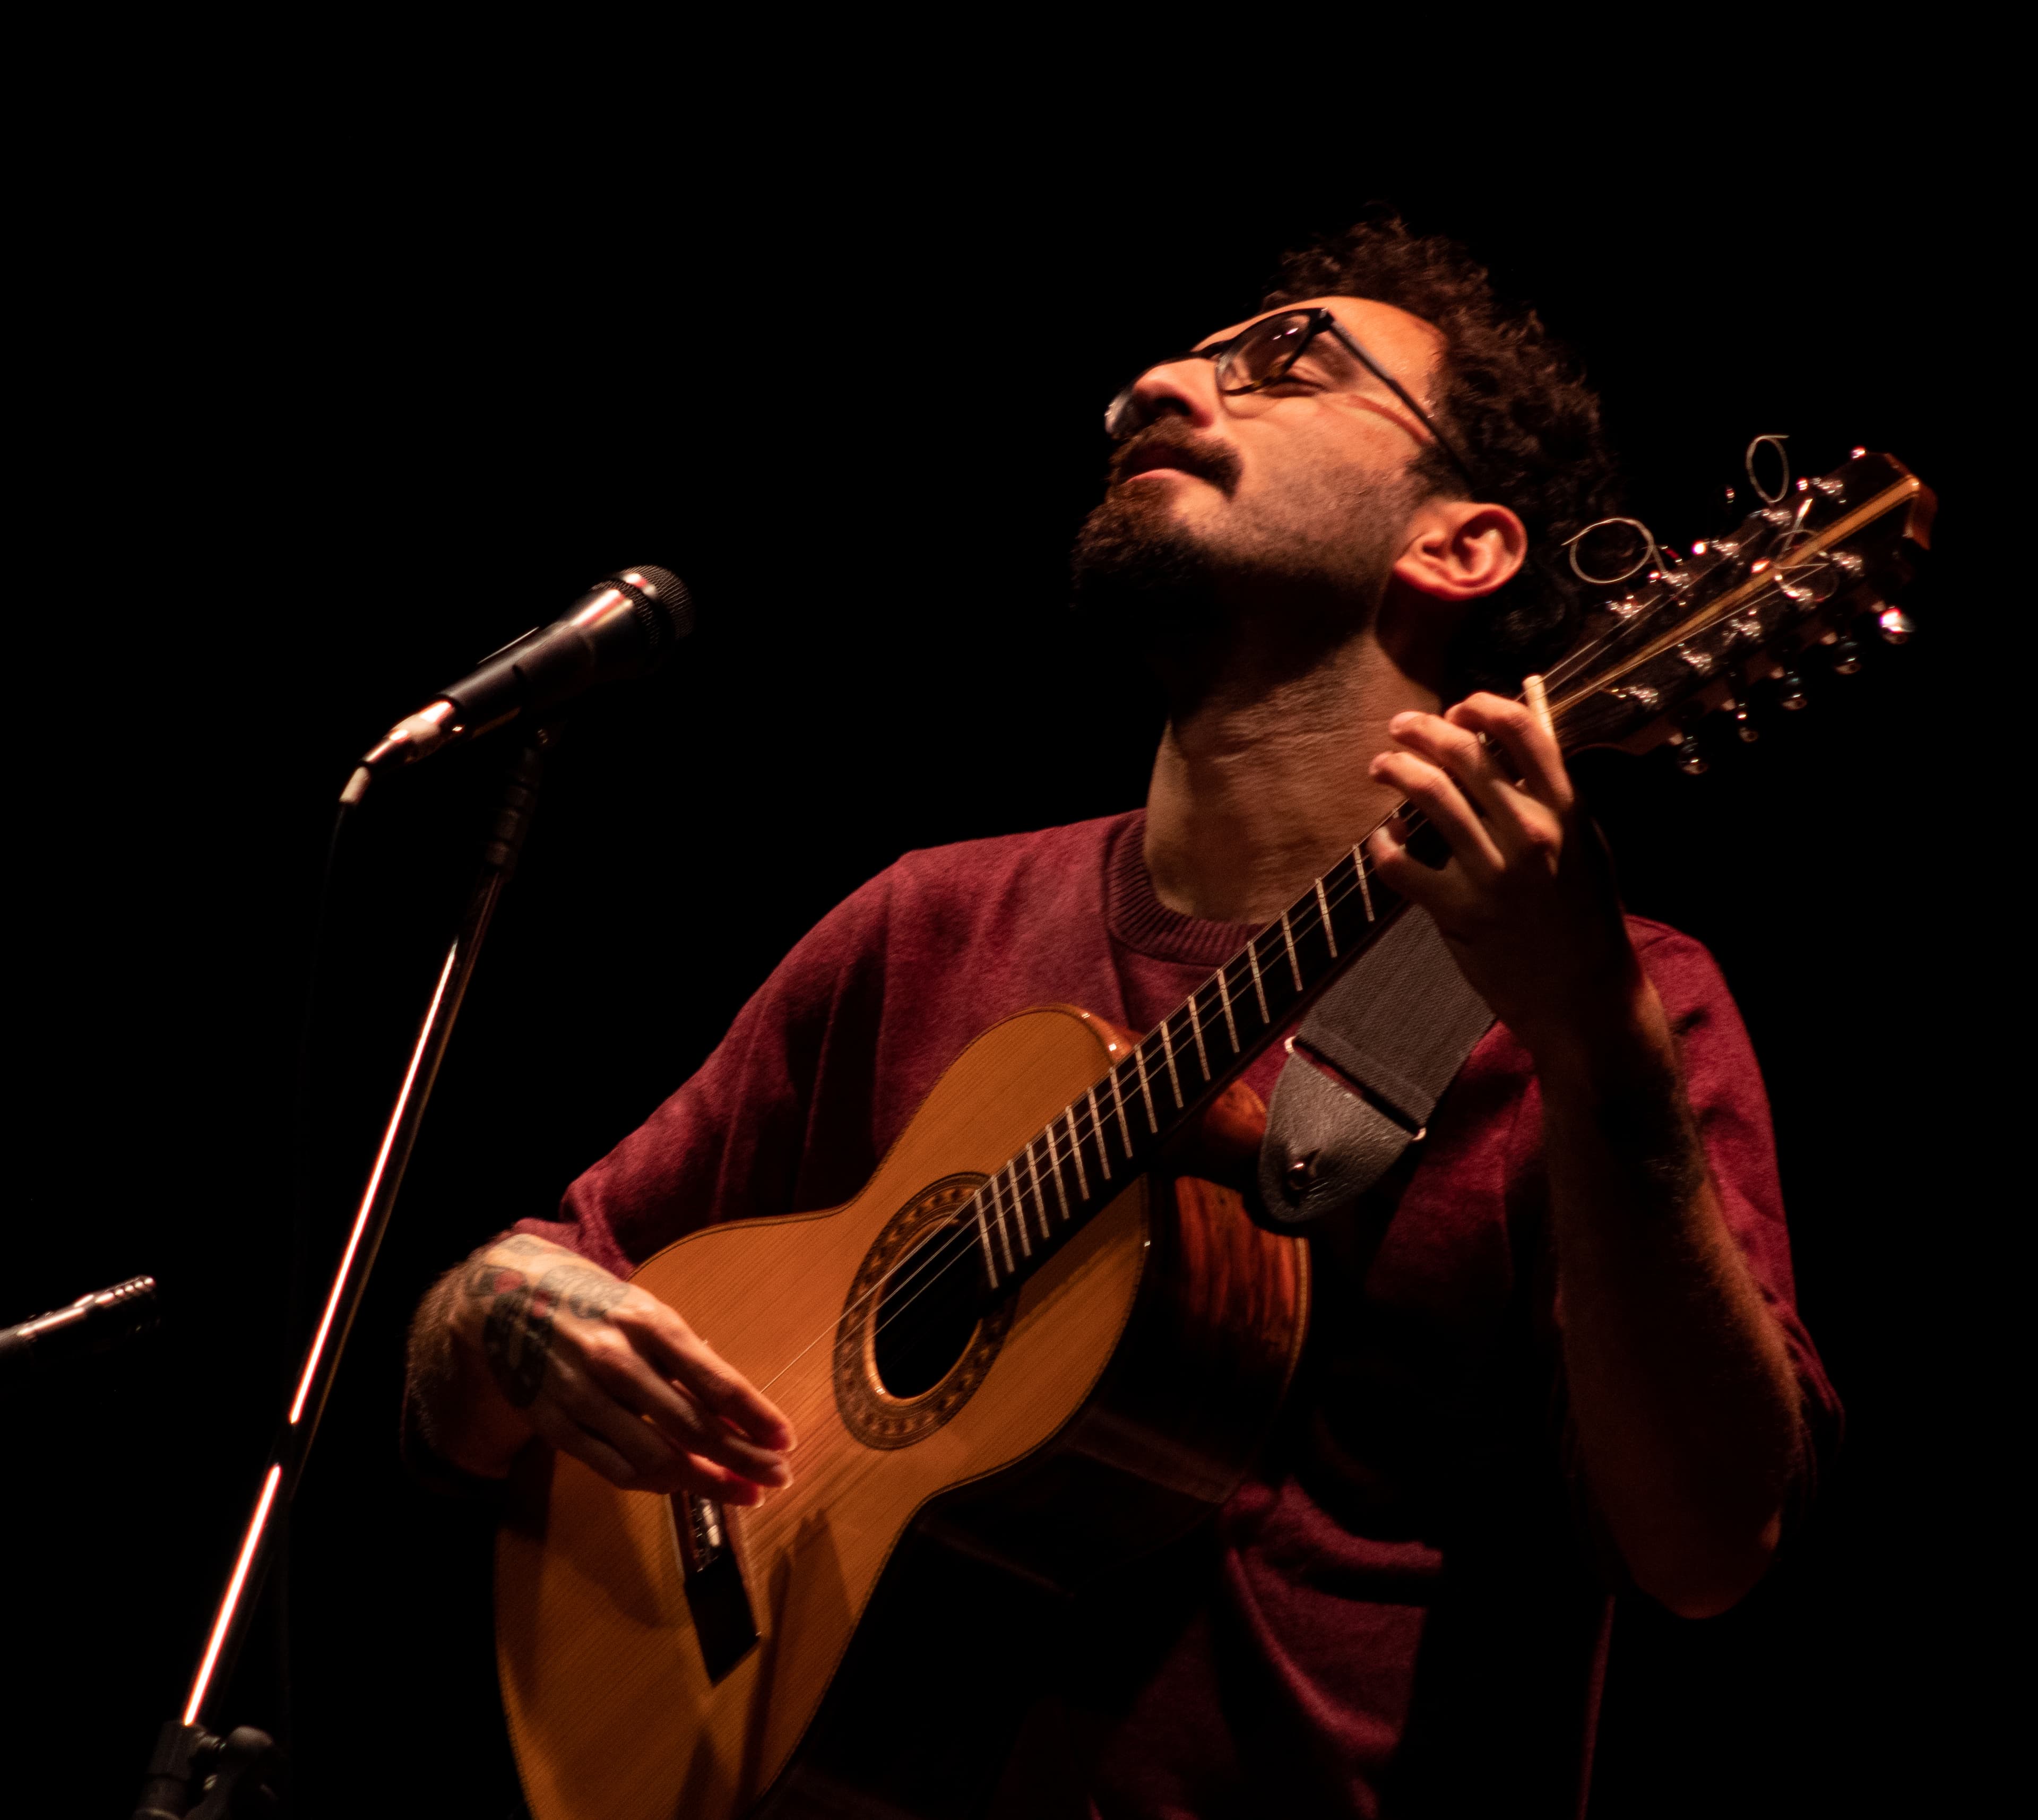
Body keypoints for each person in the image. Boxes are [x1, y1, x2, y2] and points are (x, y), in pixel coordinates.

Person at [404, 216, 1838, 1817]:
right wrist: (523, 1315)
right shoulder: (924, 924)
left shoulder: (1614, 1001)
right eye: (1183, 356)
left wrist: (1598, 1047)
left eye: (1291, 364)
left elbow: (1712, 1552)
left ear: (1463, 546)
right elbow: (472, 1370)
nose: (1153, 384)